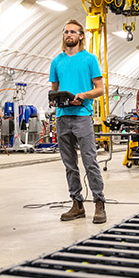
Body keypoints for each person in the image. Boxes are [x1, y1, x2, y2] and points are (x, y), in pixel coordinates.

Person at [49, 19, 106, 223]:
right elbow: (54, 90)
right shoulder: (57, 61)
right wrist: (56, 99)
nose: (68, 35)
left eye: (72, 32)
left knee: (90, 161)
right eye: (65, 32)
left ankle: (99, 203)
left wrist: (82, 95)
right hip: (62, 117)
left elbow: (100, 89)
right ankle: (77, 203)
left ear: (81, 36)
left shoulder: (89, 59)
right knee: (70, 165)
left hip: (82, 116)